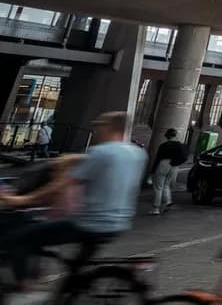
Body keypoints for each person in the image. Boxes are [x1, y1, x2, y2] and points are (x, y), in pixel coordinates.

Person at [0, 112, 145, 286]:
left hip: (90, 223)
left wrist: (22, 201)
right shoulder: (137, 154)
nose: (96, 128)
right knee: (75, 274)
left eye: (100, 124)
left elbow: (62, 185)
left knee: (21, 238)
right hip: (120, 223)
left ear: (111, 127)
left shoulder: (101, 152)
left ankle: (26, 288)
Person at [150, 128, 187, 215]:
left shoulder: (164, 145)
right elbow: (184, 157)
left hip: (163, 164)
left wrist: (153, 170)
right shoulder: (180, 145)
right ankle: (167, 202)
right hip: (174, 166)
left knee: (158, 187)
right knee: (166, 184)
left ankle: (156, 208)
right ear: (175, 135)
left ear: (167, 136)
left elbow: (158, 158)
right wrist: (175, 162)